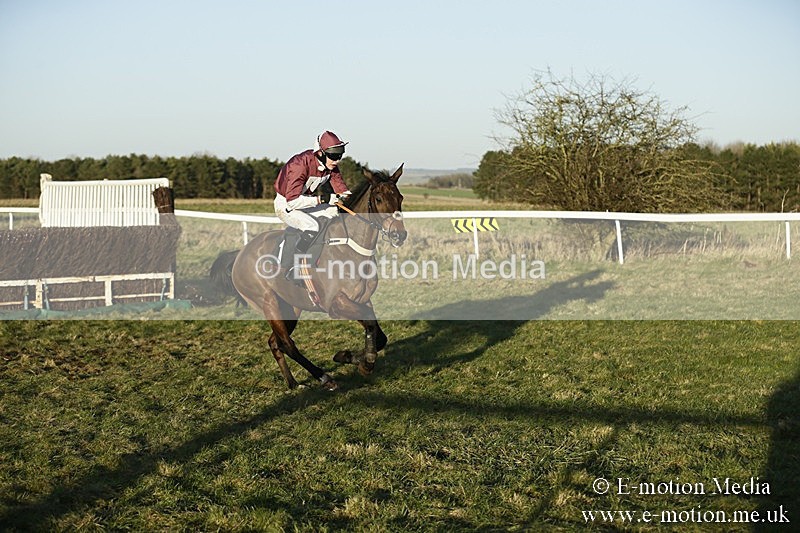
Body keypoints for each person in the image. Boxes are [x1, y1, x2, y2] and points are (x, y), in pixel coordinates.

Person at [273, 130, 352, 280]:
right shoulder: (299, 165)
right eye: (334, 156)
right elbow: (293, 201)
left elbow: (342, 191)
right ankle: (293, 266)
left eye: (340, 155)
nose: (337, 160)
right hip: (286, 204)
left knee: (335, 212)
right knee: (312, 226)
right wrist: (323, 199)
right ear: (321, 153)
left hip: (306, 203)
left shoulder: (331, 166)